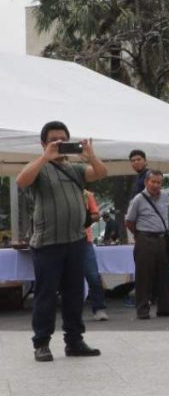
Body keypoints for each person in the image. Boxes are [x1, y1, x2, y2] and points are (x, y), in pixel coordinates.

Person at [16, 120, 108, 362]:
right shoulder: (39, 167)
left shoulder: (74, 168)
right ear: (43, 143)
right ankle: (42, 344)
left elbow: (100, 173)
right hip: (47, 243)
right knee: (46, 295)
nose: (59, 143)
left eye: (63, 139)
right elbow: (21, 181)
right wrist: (45, 157)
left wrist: (90, 155)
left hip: (76, 241)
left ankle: (74, 341)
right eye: (53, 140)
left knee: (74, 295)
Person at [125, 170, 169, 319]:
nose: (156, 185)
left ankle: (165, 308)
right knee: (144, 275)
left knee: (164, 275)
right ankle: (142, 310)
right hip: (145, 238)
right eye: (153, 182)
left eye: (159, 182)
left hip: (161, 238)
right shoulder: (138, 199)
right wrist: (139, 234)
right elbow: (129, 221)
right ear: (146, 182)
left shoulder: (164, 197)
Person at [82, 189, 108, 321]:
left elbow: (96, 215)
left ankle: (99, 308)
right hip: (64, 240)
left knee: (93, 276)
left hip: (84, 240)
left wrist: (83, 219)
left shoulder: (86, 194)